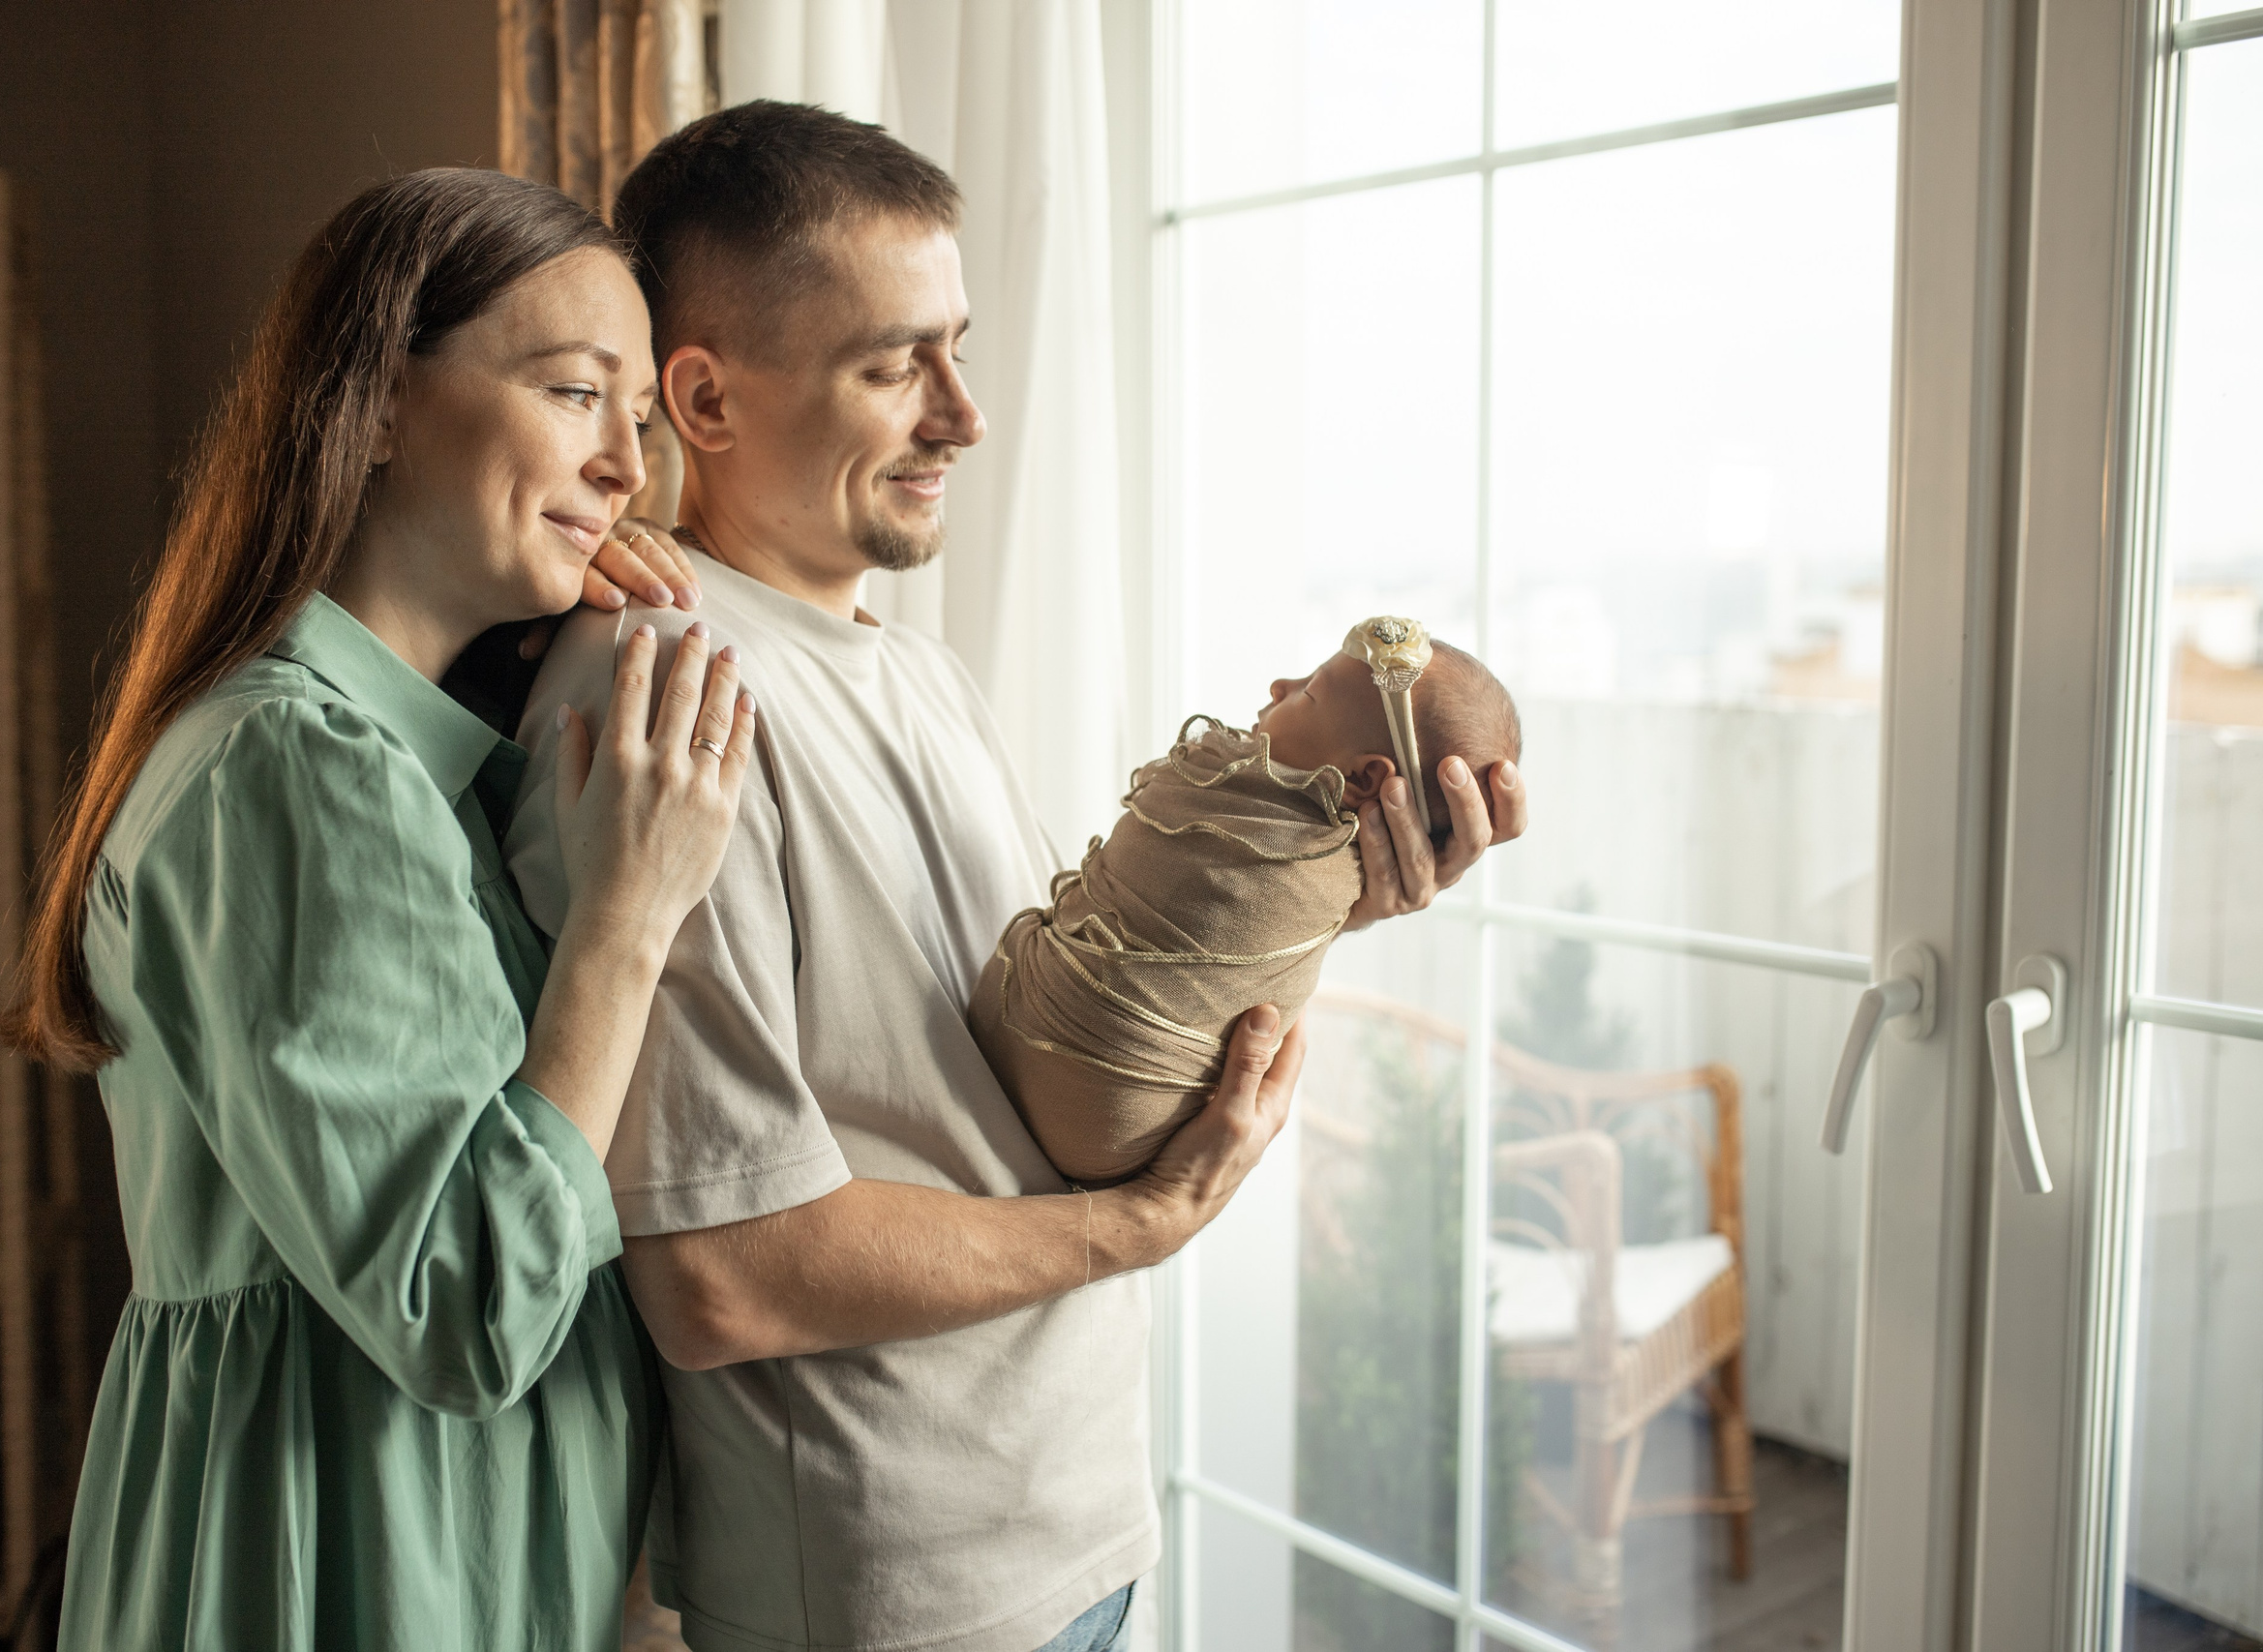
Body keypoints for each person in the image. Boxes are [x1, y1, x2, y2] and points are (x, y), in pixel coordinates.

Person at [506, 103, 1526, 1652]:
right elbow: (725, 1273)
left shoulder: (916, 674)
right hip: (895, 1590)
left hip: (1077, 1527)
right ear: (702, 397)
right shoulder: (659, 694)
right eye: (892, 362)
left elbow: (1046, 1066)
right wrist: (1150, 1222)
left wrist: (1311, 893)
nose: (964, 415)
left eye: (958, 347)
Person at [2, 167, 746, 1651]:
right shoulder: (292, 762)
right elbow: (462, 1296)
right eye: (573, 392)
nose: (625, 469)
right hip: (348, 1559)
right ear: (382, 399)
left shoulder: (423, 762)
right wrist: (626, 916)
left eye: (640, 421)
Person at [976, 616, 1523, 1184]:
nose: (1280, 687)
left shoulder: (1296, 856)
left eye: (1309, 692)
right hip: (1093, 1126)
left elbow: (1248, 923)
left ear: (1364, 777)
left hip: (1087, 1087)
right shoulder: (1281, 838)